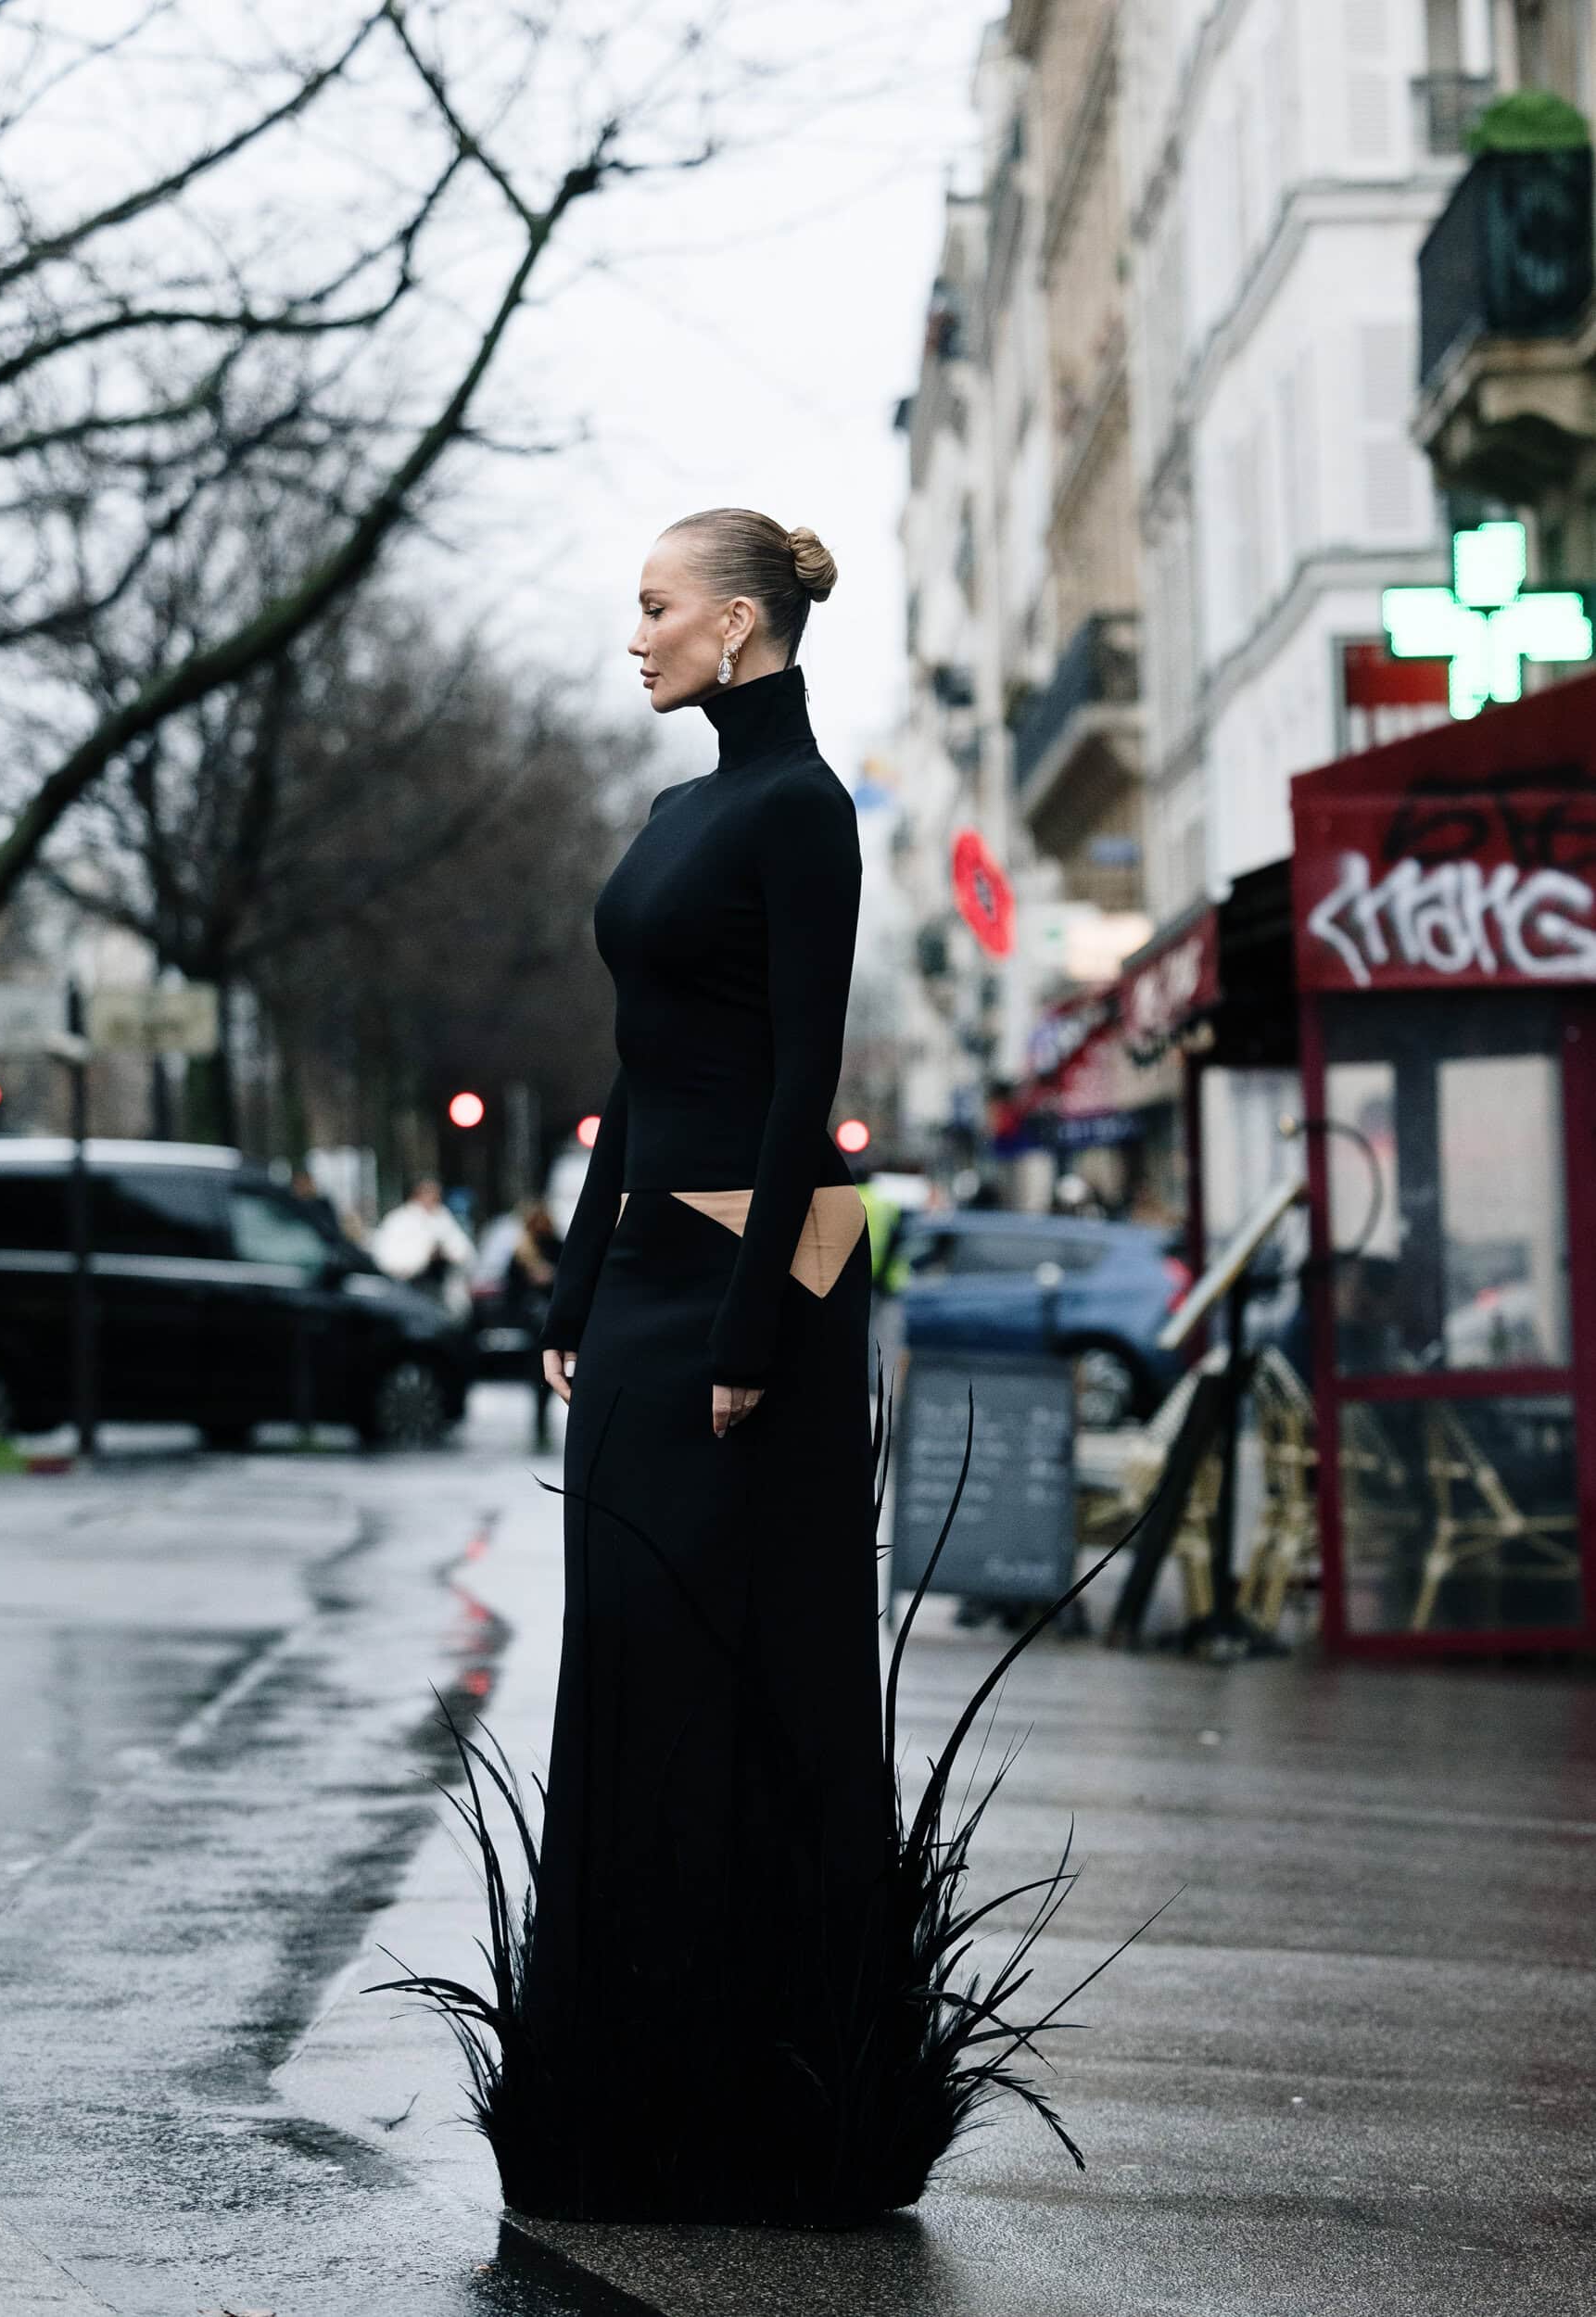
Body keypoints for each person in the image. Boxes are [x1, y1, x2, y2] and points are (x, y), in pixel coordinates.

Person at [390, 510, 1096, 2228]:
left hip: (763, 1262)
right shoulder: (673, 811)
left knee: (751, 1666)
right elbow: (642, 1069)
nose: (632, 637)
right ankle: (618, 2109)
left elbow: (803, 1083)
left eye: (653, 609)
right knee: (631, 1662)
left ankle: (784, 2116)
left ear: (739, 626)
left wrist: (748, 1327)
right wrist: (572, 1270)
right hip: (647, 1272)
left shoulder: (801, 810)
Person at [370, 1176, 475, 1318]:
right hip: (410, 1286)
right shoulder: (398, 1220)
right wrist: (425, 1255)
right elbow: (388, 1259)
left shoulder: (442, 1217)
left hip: (441, 1286)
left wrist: (446, 1253)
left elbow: (464, 1251)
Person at [504, 1199, 564, 1449]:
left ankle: (543, 1425)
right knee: (539, 1377)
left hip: (552, 1320)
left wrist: (549, 1276)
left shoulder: (556, 1247)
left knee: (550, 1376)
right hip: (534, 1324)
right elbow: (511, 1291)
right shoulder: (521, 1252)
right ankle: (540, 1426)